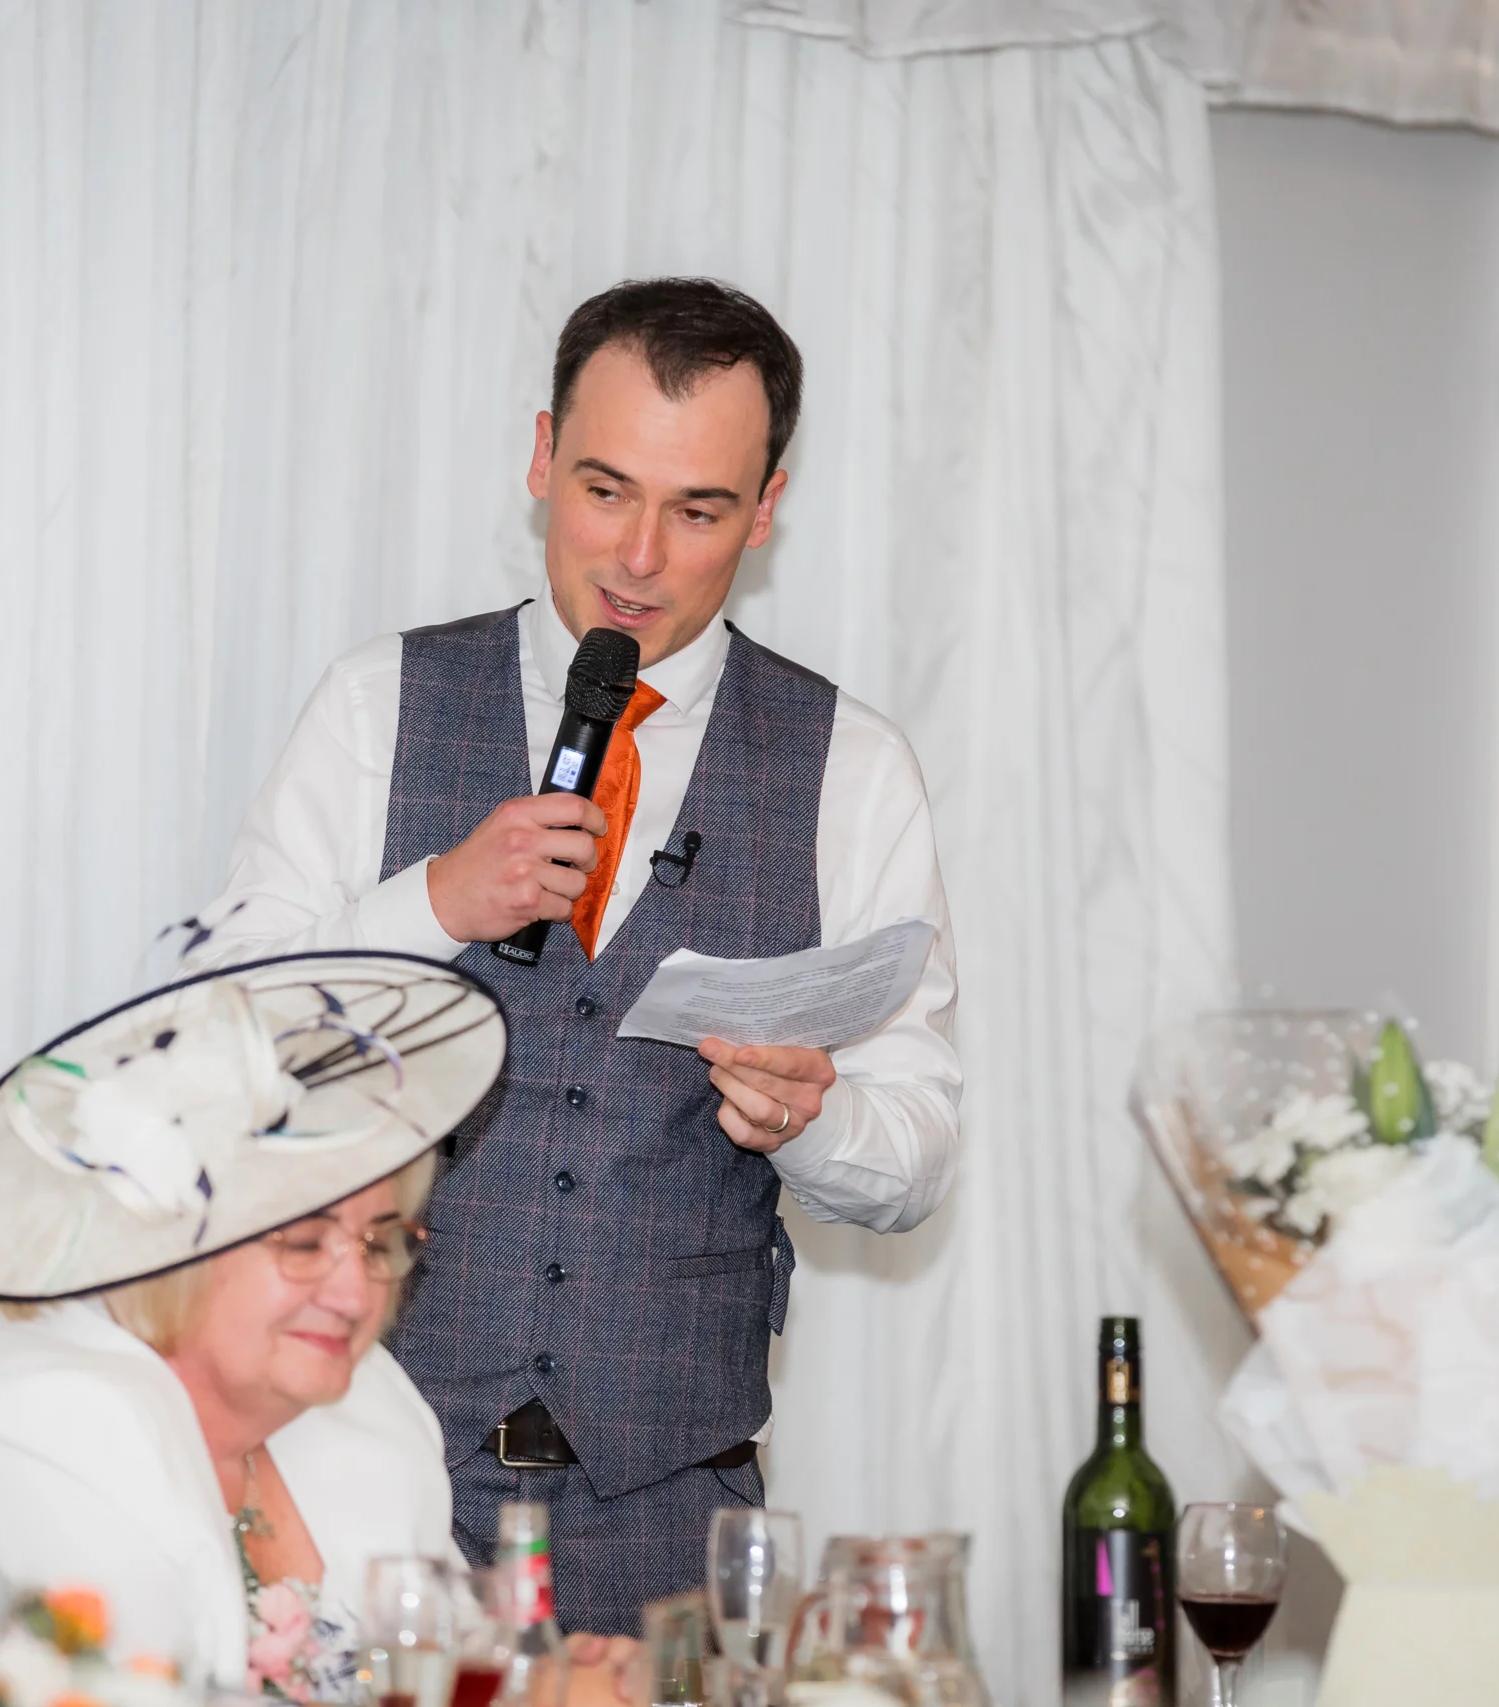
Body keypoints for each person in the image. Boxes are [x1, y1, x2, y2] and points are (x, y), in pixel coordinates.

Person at [180, 276, 962, 1630]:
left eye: (700, 508)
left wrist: (809, 1121)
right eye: (605, 489)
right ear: (541, 456)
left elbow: (919, 1149)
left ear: (768, 507)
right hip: (357, 1475)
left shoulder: (855, 766)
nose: (640, 556)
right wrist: (429, 900)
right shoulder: (378, 704)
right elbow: (210, 1054)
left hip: (669, 1515)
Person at [0, 952, 628, 1700]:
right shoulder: (29, 1427)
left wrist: (542, 1680)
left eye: (379, 1240)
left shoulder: (371, 1401)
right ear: (174, 1245)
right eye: (305, 1240)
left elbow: (442, 1668)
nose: (355, 1293)